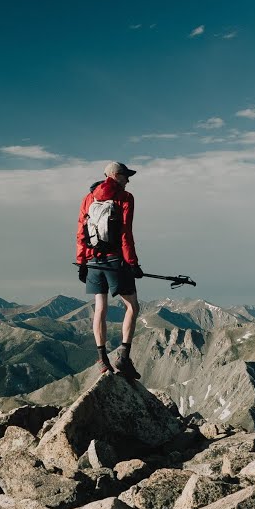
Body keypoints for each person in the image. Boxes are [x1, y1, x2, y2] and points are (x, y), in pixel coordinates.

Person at [75, 161, 144, 380]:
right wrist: (132, 263)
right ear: (115, 176)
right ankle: (123, 356)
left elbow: (80, 232)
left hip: (94, 261)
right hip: (115, 260)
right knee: (132, 305)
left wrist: (82, 262)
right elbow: (125, 233)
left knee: (100, 307)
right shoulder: (125, 198)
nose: (128, 179)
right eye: (125, 175)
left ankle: (102, 360)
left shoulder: (89, 198)